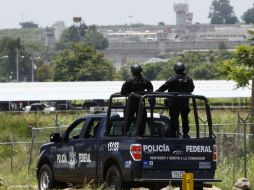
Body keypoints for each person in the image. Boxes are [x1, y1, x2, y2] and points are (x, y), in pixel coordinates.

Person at [156, 62, 195, 138]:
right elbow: (192, 89)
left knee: (174, 118)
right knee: (185, 118)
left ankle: (174, 134)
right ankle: (185, 134)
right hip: (184, 102)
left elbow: (163, 88)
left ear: (175, 69)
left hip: (174, 103)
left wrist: (156, 92)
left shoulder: (172, 79)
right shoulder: (189, 79)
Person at [121, 64, 153, 136]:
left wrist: (130, 93)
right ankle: (140, 136)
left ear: (132, 71)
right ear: (140, 71)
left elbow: (123, 92)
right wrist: (144, 94)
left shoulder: (128, 81)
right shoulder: (146, 81)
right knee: (141, 121)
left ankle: (124, 135)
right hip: (141, 103)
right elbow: (151, 90)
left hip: (131, 103)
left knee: (127, 121)